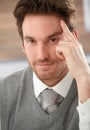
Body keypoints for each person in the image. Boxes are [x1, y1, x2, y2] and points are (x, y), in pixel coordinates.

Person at [0, 0, 90, 130]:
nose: (42, 56)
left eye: (52, 40)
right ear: (23, 45)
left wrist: (85, 80)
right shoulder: (3, 93)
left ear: (73, 38)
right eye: (31, 41)